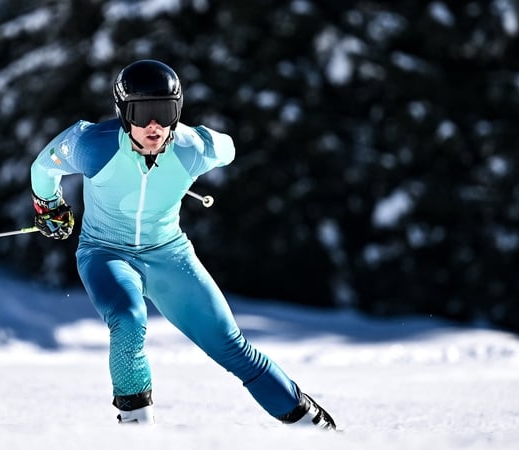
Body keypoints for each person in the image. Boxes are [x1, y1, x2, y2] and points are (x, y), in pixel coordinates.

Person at [29, 59, 336, 429]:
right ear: (122, 113)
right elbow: (43, 168)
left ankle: (317, 429)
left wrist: (199, 141)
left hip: (169, 255)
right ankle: (137, 431)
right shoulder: (91, 144)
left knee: (231, 346)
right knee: (127, 320)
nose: (155, 125)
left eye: (165, 111)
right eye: (142, 113)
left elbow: (228, 148)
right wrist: (49, 206)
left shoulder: (192, 147)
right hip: (106, 253)